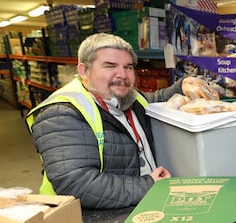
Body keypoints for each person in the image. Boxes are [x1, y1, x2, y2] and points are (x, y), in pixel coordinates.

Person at [26, 33, 185, 209]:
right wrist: (149, 185)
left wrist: (183, 86)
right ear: (83, 71)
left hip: (138, 206)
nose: (122, 75)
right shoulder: (60, 114)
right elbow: (77, 184)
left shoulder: (128, 98)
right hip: (85, 222)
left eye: (128, 67)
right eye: (110, 66)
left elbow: (156, 99)